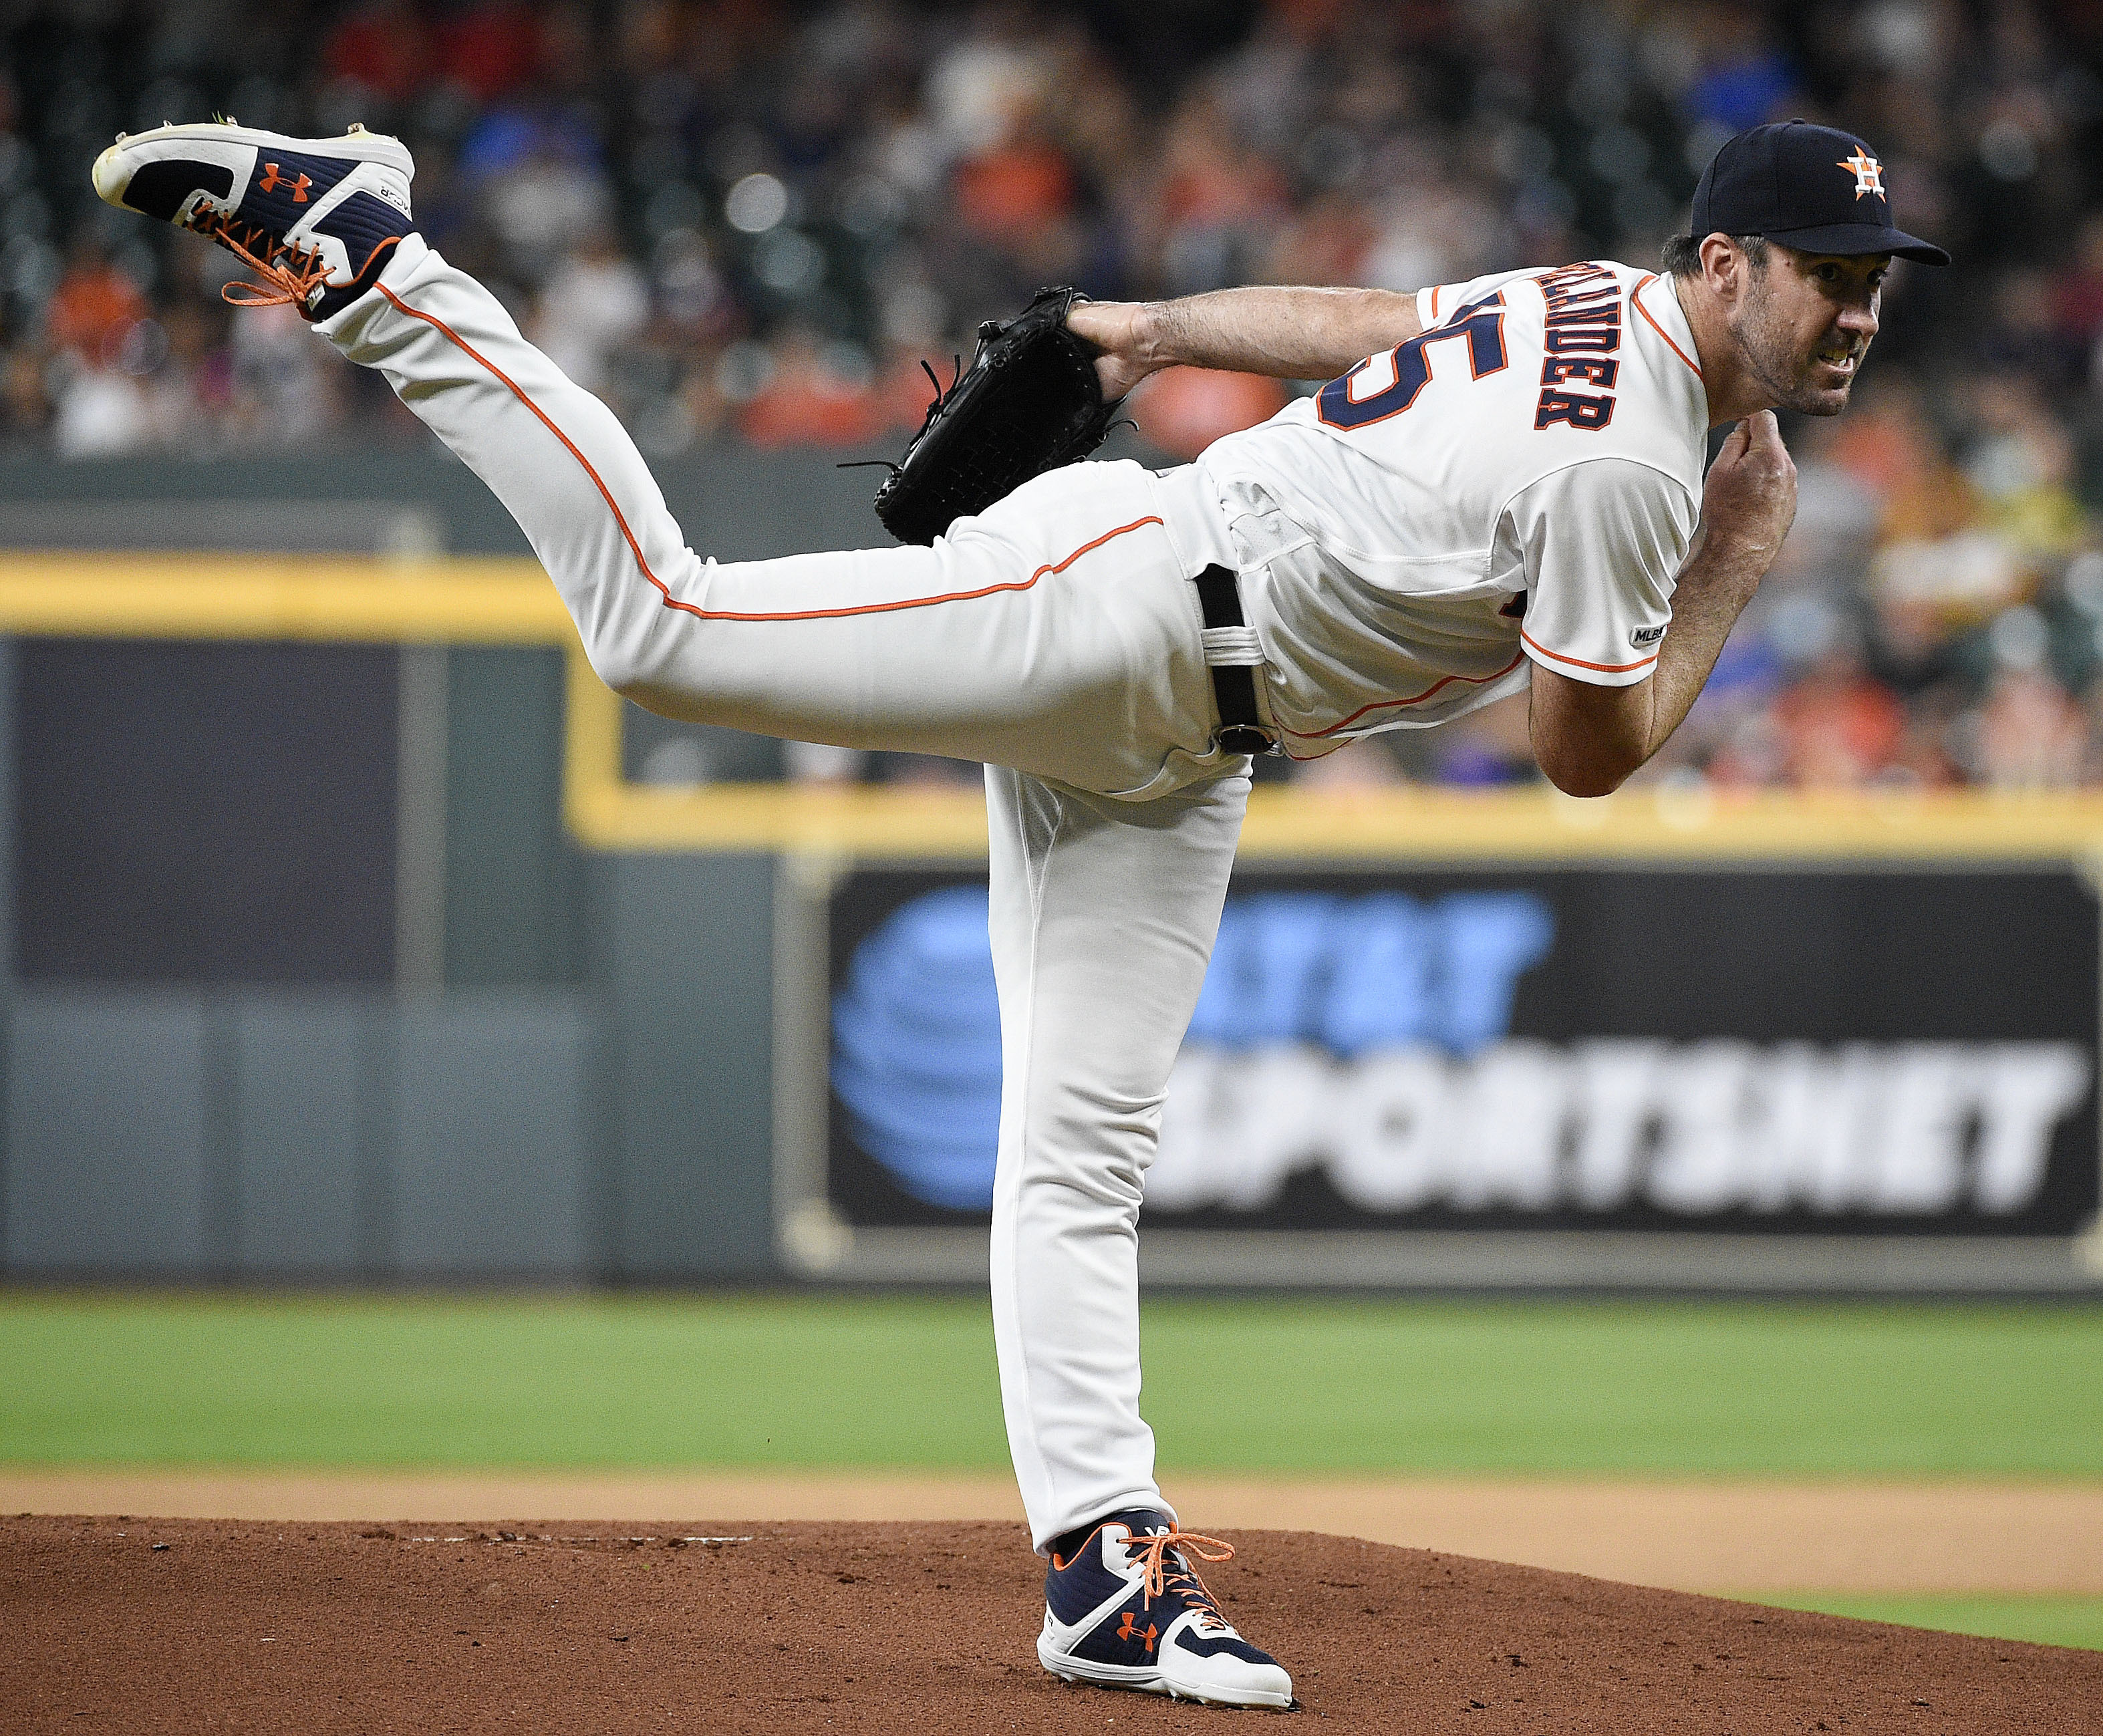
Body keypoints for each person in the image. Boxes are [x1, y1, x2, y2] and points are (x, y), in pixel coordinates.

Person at [92, 116, 1943, 1711]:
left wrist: (1146, 327)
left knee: (1078, 1152)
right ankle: (369, 251)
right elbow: (1585, 752)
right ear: (1719, 265)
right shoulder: (1639, 461)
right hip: (1127, 611)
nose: (1856, 306)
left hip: (1188, 738)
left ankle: (1101, 1576)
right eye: (1819, 270)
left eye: (1873, 274)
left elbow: (1367, 324)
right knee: (659, 625)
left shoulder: (1588, 301)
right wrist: (1732, 568)